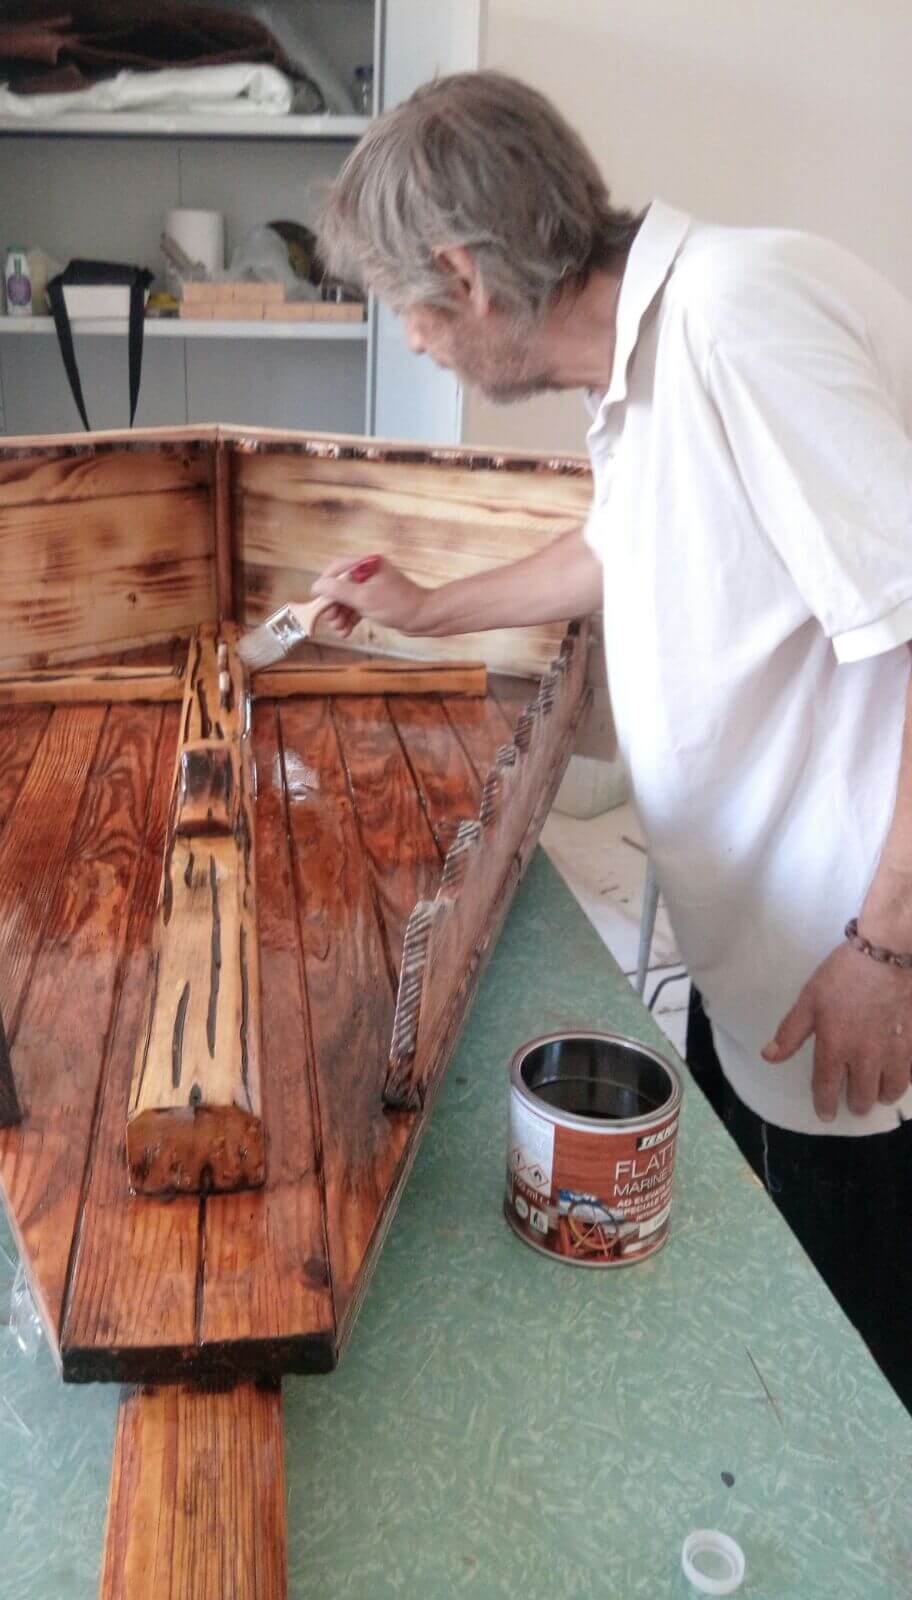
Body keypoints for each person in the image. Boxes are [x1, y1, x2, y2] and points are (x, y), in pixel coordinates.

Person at [311, 71, 912, 1408]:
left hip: (857, 968)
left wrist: (887, 947)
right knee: (771, 1282)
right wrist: (425, 608)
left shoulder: (738, 320)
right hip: (767, 948)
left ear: (464, 276)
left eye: (408, 305)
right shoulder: (651, 352)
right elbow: (619, 540)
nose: (414, 340)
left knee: (856, 1368)